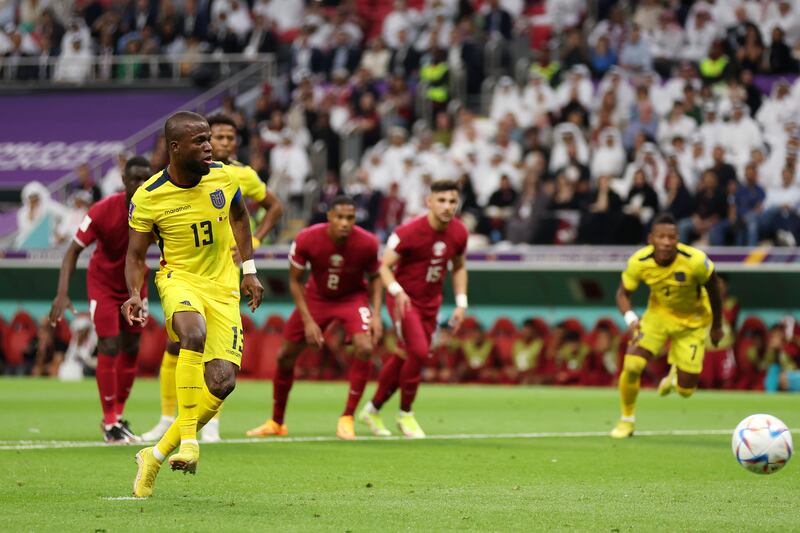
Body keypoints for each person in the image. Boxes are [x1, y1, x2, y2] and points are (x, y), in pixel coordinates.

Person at [124, 111, 263, 497]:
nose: (209, 147)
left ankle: (153, 455)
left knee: (222, 383)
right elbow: (135, 257)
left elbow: (240, 215)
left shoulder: (222, 175)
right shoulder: (149, 196)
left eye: (209, 140)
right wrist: (135, 294)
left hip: (223, 288)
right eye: (200, 141)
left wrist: (249, 270)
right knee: (192, 334)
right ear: (175, 148)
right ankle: (189, 441)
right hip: (179, 278)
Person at [141, 113, 283, 443]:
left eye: (226, 138)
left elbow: (270, 208)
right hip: (185, 277)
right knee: (181, 341)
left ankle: (209, 421)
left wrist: (254, 248)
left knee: (214, 360)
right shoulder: (165, 186)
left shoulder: (239, 175)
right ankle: (170, 420)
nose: (219, 143)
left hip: (224, 277)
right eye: (214, 137)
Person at [245, 196, 383, 440]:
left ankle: (347, 417)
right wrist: (309, 321)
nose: (344, 223)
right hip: (316, 298)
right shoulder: (307, 238)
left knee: (365, 347)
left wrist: (376, 314)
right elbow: (295, 281)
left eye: (349, 218)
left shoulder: (368, 243)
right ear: (329, 216)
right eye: (339, 217)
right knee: (285, 355)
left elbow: (375, 279)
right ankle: (276, 422)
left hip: (352, 298)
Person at [49, 156, 151, 444]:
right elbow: (72, 251)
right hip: (104, 286)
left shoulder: (156, 210)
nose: (142, 184)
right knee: (109, 343)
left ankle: (117, 417)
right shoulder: (103, 210)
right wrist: (62, 292)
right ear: (124, 181)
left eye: (147, 178)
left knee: (132, 346)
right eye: (136, 179)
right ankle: (109, 423)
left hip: (136, 286)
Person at [358, 179, 469, 438]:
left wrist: (462, 303)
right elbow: (383, 266)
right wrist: (397, 291)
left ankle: (372, 409)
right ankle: (405, 414)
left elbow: (459, 266)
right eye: (441, 200)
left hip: (431, 303)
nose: (447, 206)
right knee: (418, 351)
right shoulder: (408, 232)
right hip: (403, 301)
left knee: (408, 355)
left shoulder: (460, 233)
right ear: (429, 202)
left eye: (452, 201)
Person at [611, 212, 723, 438]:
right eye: (661, 237)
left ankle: (674, 374)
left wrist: (717, 326)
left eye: (671, 237)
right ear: (651, 238)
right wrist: (631, 319)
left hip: (693, 322)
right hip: (658, 316)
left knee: (685, 391)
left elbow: (714, 290)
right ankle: (626, 420)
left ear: (678, 238)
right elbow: (623, 294)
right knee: (632, 365)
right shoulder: (639, 262)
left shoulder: (695, 261)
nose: (666, 242)